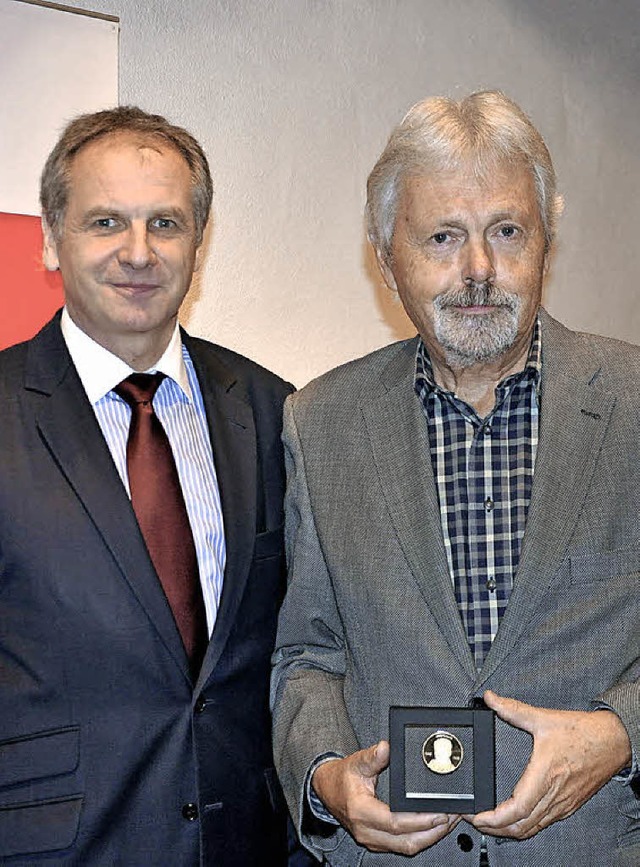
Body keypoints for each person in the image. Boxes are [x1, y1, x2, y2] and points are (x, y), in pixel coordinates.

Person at [271, 91, 639, 866]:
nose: (478, 270)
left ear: (546, 243)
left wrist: (621, 730)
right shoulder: (321, 421)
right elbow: (308, 654)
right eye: (442, 236)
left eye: (506, 231)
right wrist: (327, 775)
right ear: (386, 257)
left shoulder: (634, 402)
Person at [0, 105, 304, 866]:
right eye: (106, 222)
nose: (138, 252)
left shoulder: (276, 411)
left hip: (246, 845)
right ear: (49, 237)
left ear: (199, 242)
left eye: (165, 224)